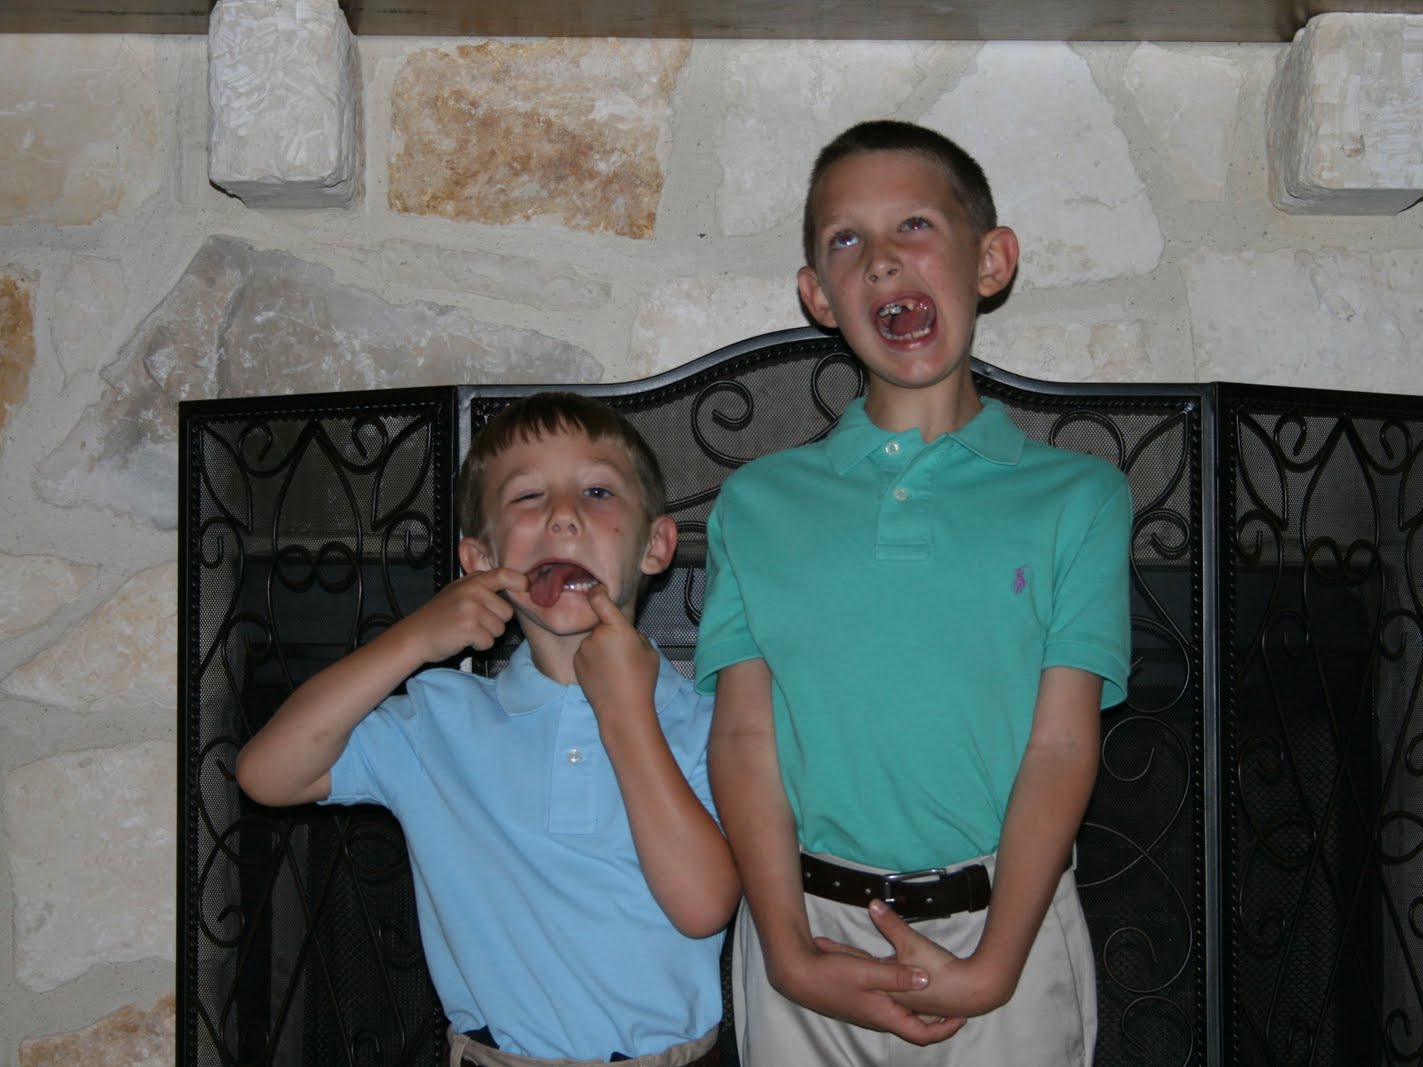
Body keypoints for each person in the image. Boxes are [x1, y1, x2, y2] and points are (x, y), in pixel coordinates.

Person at [696, 119, 1133, 1065]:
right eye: (846, 239)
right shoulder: (758, 504)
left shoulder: (1080, 498)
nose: (883, 258)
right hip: (807, 935)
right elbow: (741, 737)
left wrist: (994, 966)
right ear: (819, 293)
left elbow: (1062, 742)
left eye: (916, 225)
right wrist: (788, 952)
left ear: (991, 260)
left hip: (1008, 930)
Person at [236, 392, 738, 1067]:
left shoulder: (708, 721)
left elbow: (703, 906)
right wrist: (413, 639)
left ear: (655, 546)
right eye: (528, 497)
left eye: (596, 491)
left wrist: (626, 714)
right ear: (479, 558)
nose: (563, 515)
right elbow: (266, 774)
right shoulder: (439, 721)